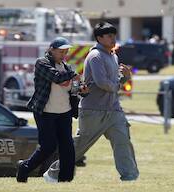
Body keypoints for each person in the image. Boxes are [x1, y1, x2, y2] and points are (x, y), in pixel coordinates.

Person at [43, 22, 139, 182]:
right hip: (93, 111)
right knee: (79, 147)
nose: (113, 39)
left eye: (114, 35)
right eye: (109, 36)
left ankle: (130, 177)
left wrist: (125, 76)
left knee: (123, 141)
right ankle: (53, 173)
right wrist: (120, 83)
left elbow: (113, 82)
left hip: (114, 110)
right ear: (99, 38)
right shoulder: (95, 56)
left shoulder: (113, 56)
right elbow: (103, 83)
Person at [16, 37, 81, 183]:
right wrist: (74, 75)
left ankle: (65, 180)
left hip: (64, 112)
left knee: (68, 148)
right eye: (61, 51)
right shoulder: (42, 63)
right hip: (45, 112)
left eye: (66, 51)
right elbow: (55, 77)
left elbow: (74, 89)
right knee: (48, 146)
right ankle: (25, 167)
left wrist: (82, 89)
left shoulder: (67, 67)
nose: (64, 54)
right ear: (51, 49)